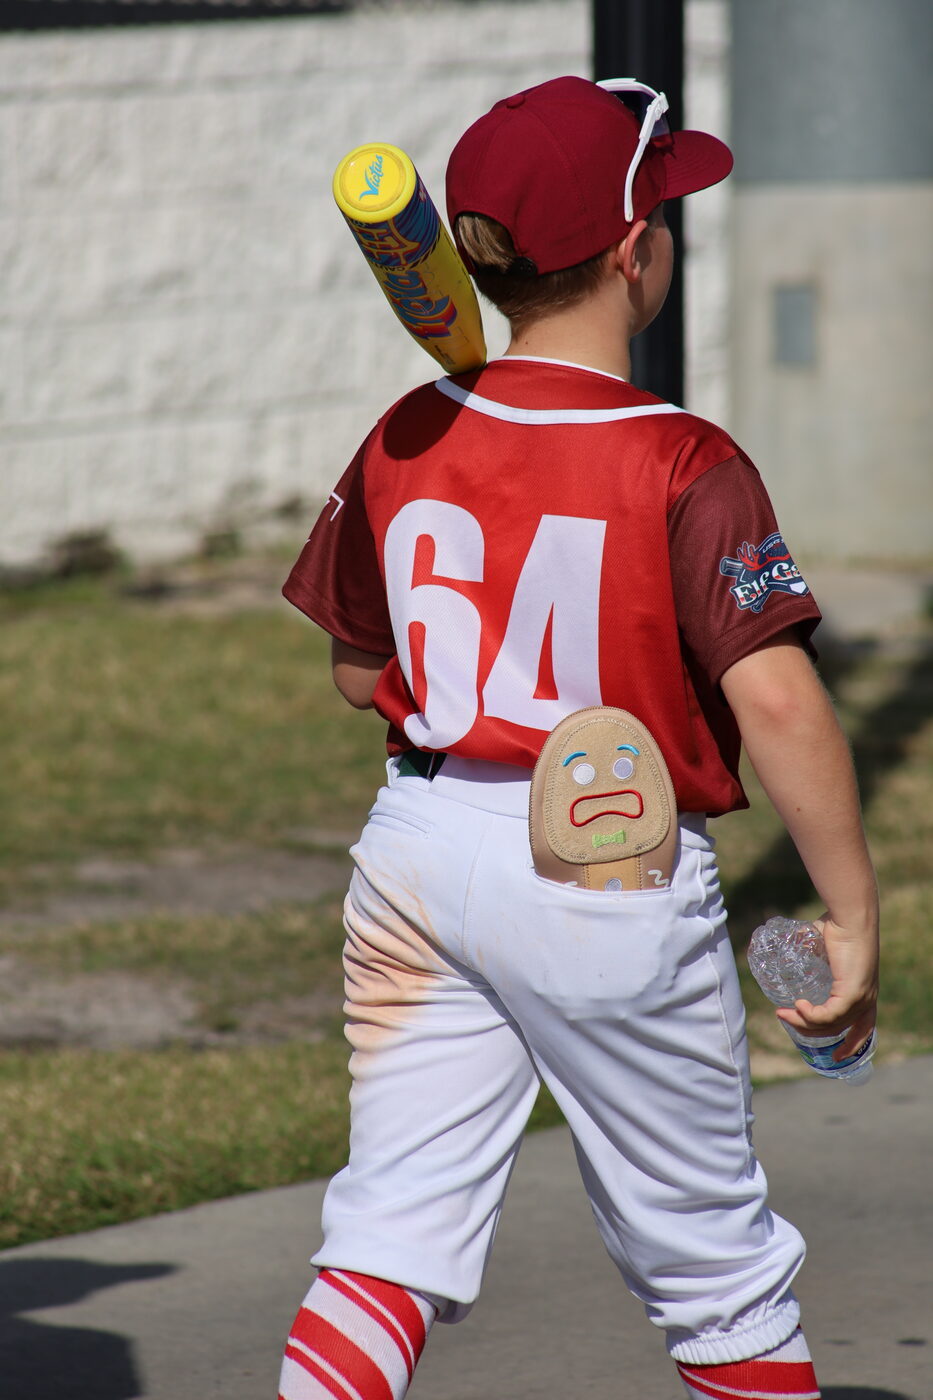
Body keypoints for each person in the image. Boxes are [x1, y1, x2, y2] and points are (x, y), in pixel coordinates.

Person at [277, 75, 879, 1400]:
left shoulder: (408, 433)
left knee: (386, 1235)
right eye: (664, 211)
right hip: (603, 865)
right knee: (716, 1271)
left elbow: (354, 669)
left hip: (417, 857)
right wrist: (845, 911)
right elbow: (774, 701)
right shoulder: (682, 457)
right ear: (632, 253)